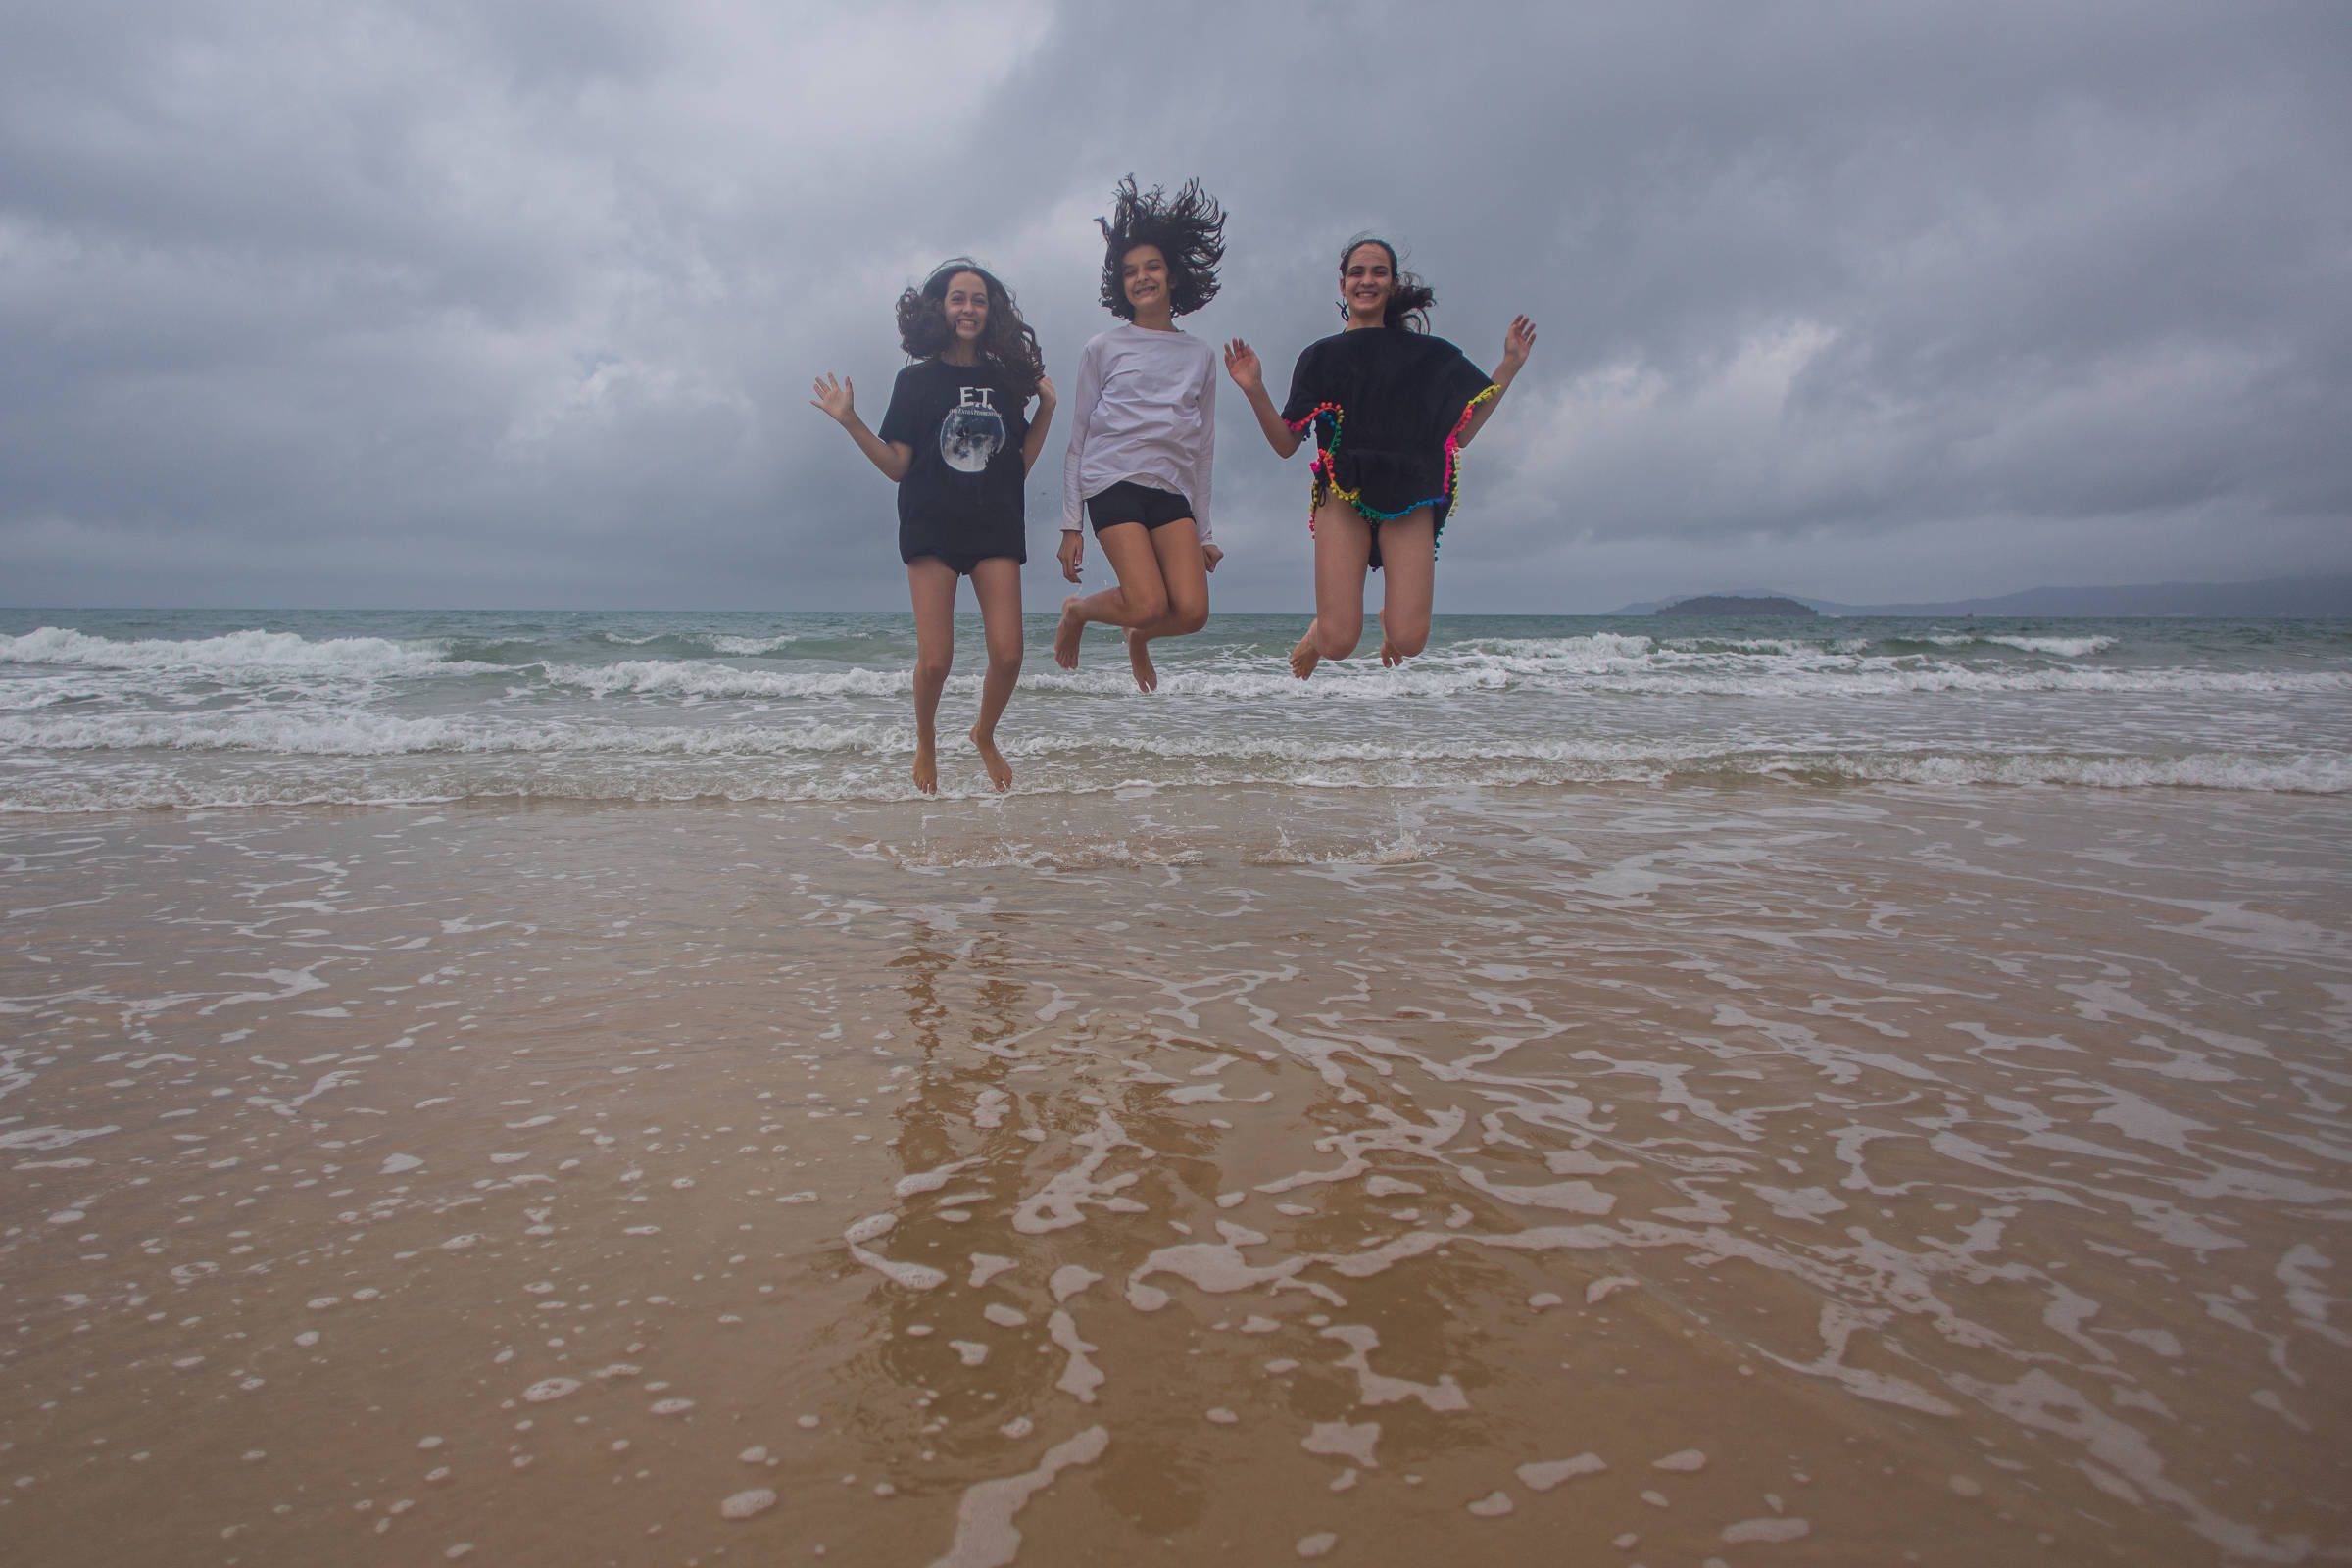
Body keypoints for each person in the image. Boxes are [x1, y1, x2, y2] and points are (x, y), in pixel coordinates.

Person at [1224, 236, 1535, 678]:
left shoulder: (1429, 355)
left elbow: (1462, 432)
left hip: (1411, 492)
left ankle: (1391, 622)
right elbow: (1286, 443)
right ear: (1342, 284)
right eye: (1357, 273)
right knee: (1338, 643)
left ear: (1392, 283)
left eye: (1378, 272)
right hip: (1344, 493)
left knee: (1410, 640)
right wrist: (1254, 389)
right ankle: (1317, 634)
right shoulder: (1320, 356)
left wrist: (1509, 364)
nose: (1366, 281)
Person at [811, 260, 1055, 793]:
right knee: (937, 661)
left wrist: (1047, 411)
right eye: (957, 298)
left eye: (979, 300)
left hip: (995, 526)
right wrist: (850, 419)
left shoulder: (1005, 380)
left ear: (993, 313)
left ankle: (983, 734)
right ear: (938, 309)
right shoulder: (915, 381)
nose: (968, 308)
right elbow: (897, 464)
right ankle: (926, 737)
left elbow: (1016, 465)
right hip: (932, 528)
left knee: (1010, 654)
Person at [1054, 177, 1228, 693]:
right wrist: (1071, 523)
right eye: (1130, 272)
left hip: (1170, 492)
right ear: (1120, 283)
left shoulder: (1200, 355)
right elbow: (1078, 437)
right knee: (1150, 600)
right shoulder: (1103, 347)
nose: (1142, 278)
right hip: (1112, 481)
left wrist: (1205, 532)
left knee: (1193, 612)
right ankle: (1078, 611)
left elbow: (1204, 450)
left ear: (1172, 276)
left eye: (1152, 267)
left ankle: (1137, 636)